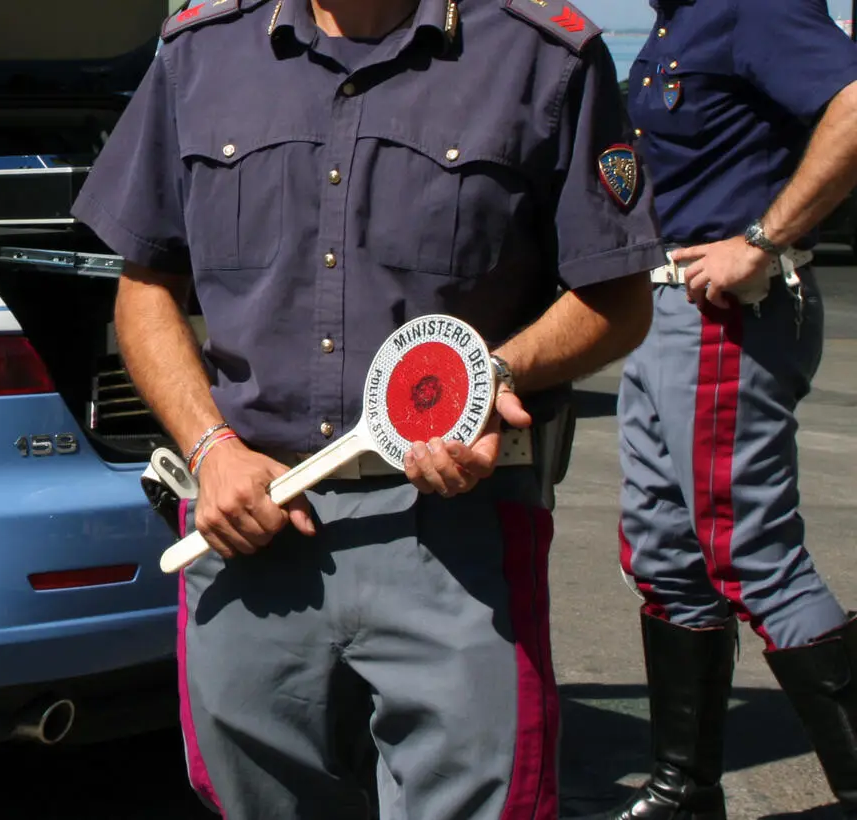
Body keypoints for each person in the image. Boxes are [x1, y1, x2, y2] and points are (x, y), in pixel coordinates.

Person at [70, 0, 661, 817]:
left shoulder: (540, 57)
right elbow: (144, 290)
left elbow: (618, 297)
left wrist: (486, 378)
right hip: (253, 524)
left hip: (454, 531)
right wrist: (209, 448)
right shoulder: (201, 55)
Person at [577, 0, 857, 818]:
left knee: (752, 551)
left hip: (727, 313)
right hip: (663, 305)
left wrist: (761, 239)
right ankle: (683, 790)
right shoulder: (676, 23)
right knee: (665, 553)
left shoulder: (752, 5)